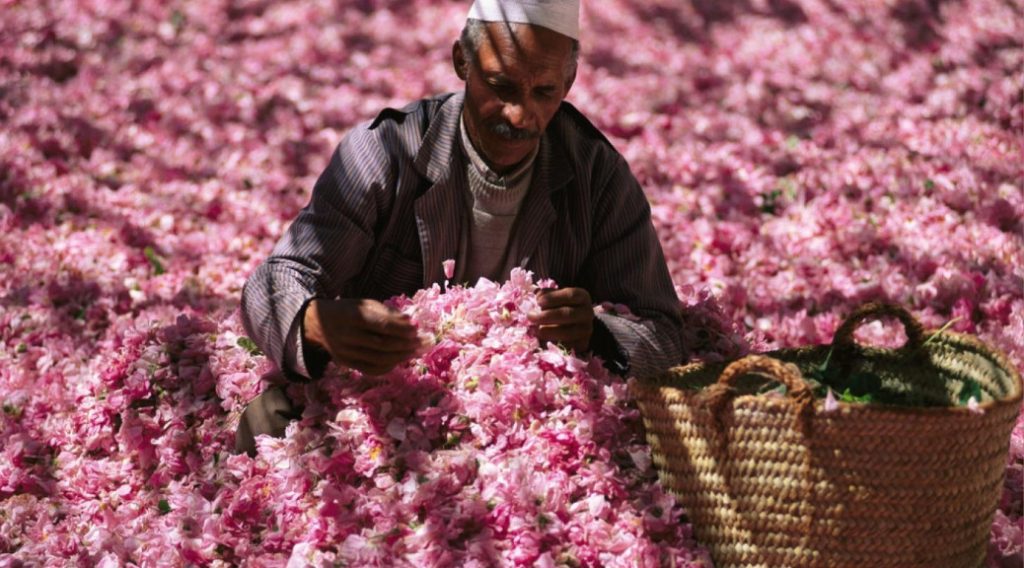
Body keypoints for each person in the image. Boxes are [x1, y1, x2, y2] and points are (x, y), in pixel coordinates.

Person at [235, 0, 684, 455]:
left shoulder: (597, 176)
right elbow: (272, 281)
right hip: (383, 416)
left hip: (528, 432)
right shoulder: (386, 152)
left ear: (568, 83)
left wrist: (596, 333)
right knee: (270, 422)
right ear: (461, 61)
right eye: (500, 85)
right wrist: (315, 322)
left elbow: (664, 334)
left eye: (543, 92)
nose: (518, 115)